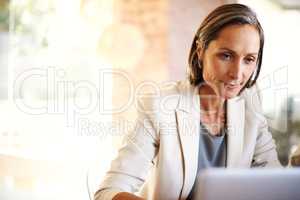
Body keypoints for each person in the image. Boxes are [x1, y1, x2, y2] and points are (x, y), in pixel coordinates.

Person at [94, 3, 281, 200]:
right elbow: (107, 192)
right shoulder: (160, 105)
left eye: (249, 59)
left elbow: (276, 184)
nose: (237, 73)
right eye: (226, 56)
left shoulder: (250, 106)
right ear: (200, 51)